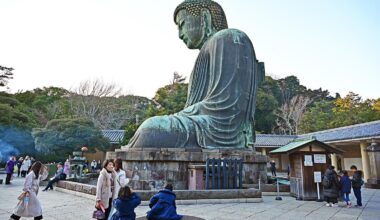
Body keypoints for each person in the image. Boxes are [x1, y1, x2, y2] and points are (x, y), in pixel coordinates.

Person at [126, 0, 264, 149]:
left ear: (204, 17)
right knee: (150, 129)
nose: (180, 34)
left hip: (221, 129)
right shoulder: (206, 53)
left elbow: (227, 106)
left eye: (182, 24)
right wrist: (181, 115)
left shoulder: (229, 38)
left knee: (150, 130)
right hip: (202, 124)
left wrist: (181, 116)